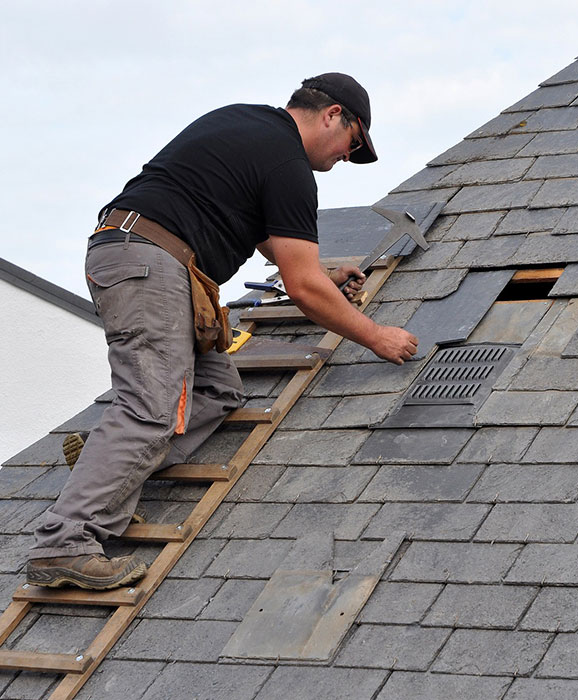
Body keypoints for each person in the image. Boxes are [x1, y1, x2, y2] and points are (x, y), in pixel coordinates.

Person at [26, 73, 418, 590]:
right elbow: (301, 287)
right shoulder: (289, 165)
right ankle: (65, 543)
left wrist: (326, 271)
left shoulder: (245, 123)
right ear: (333, 115)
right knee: (152, 406)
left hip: (137, 254)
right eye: (355, 142)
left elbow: (274, 245)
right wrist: (376, 336)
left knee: (216, 390)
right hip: (153, 263)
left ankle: (104, 467)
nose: (349, 155)